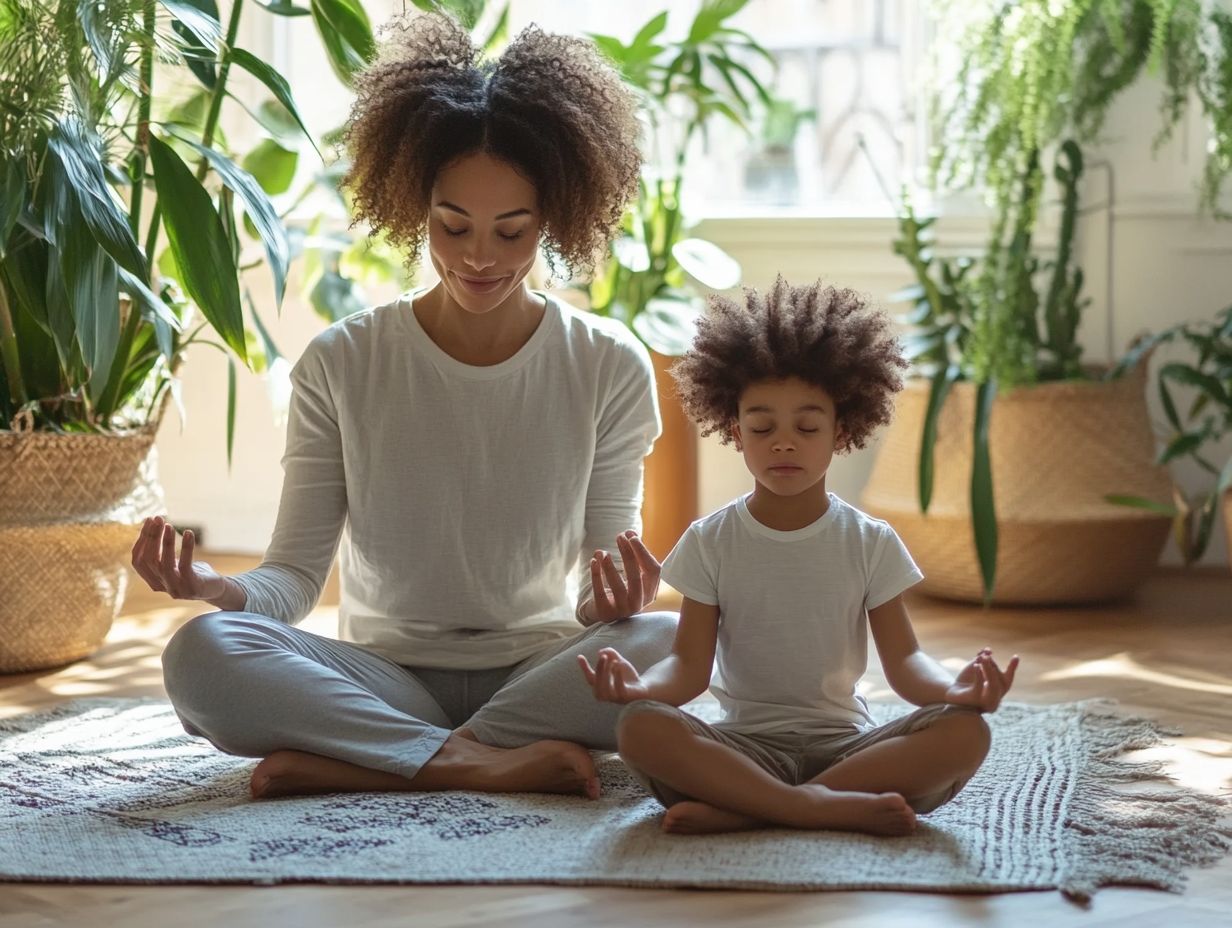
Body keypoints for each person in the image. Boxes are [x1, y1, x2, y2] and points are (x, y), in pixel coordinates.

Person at [131, 12, 678, 801]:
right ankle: (469, 761)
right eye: (451, 225)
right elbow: (289, 581)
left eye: (511, 231)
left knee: (672, 640)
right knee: (201, 654)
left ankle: (371, 759)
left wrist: (618, 598)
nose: (478, 257)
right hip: (383, 675)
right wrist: (216, 588)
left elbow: (598, 594)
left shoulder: (608, 365)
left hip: (536, 671)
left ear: (554, 220)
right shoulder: (343, 361)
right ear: (415, 204)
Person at [578, 276, 1020, 836]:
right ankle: (810, 808)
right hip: (741, 749)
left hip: (850, 752)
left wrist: (956, 691)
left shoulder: (869, 541)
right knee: (640, 727)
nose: (784, 442)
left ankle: (749, 808)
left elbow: (906, 663)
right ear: (736, 432)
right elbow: (688, 668)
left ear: (841, 432)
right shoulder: (710, 541)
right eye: (763, 427)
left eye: (807, 426)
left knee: (966, 732)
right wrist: (640, 690)